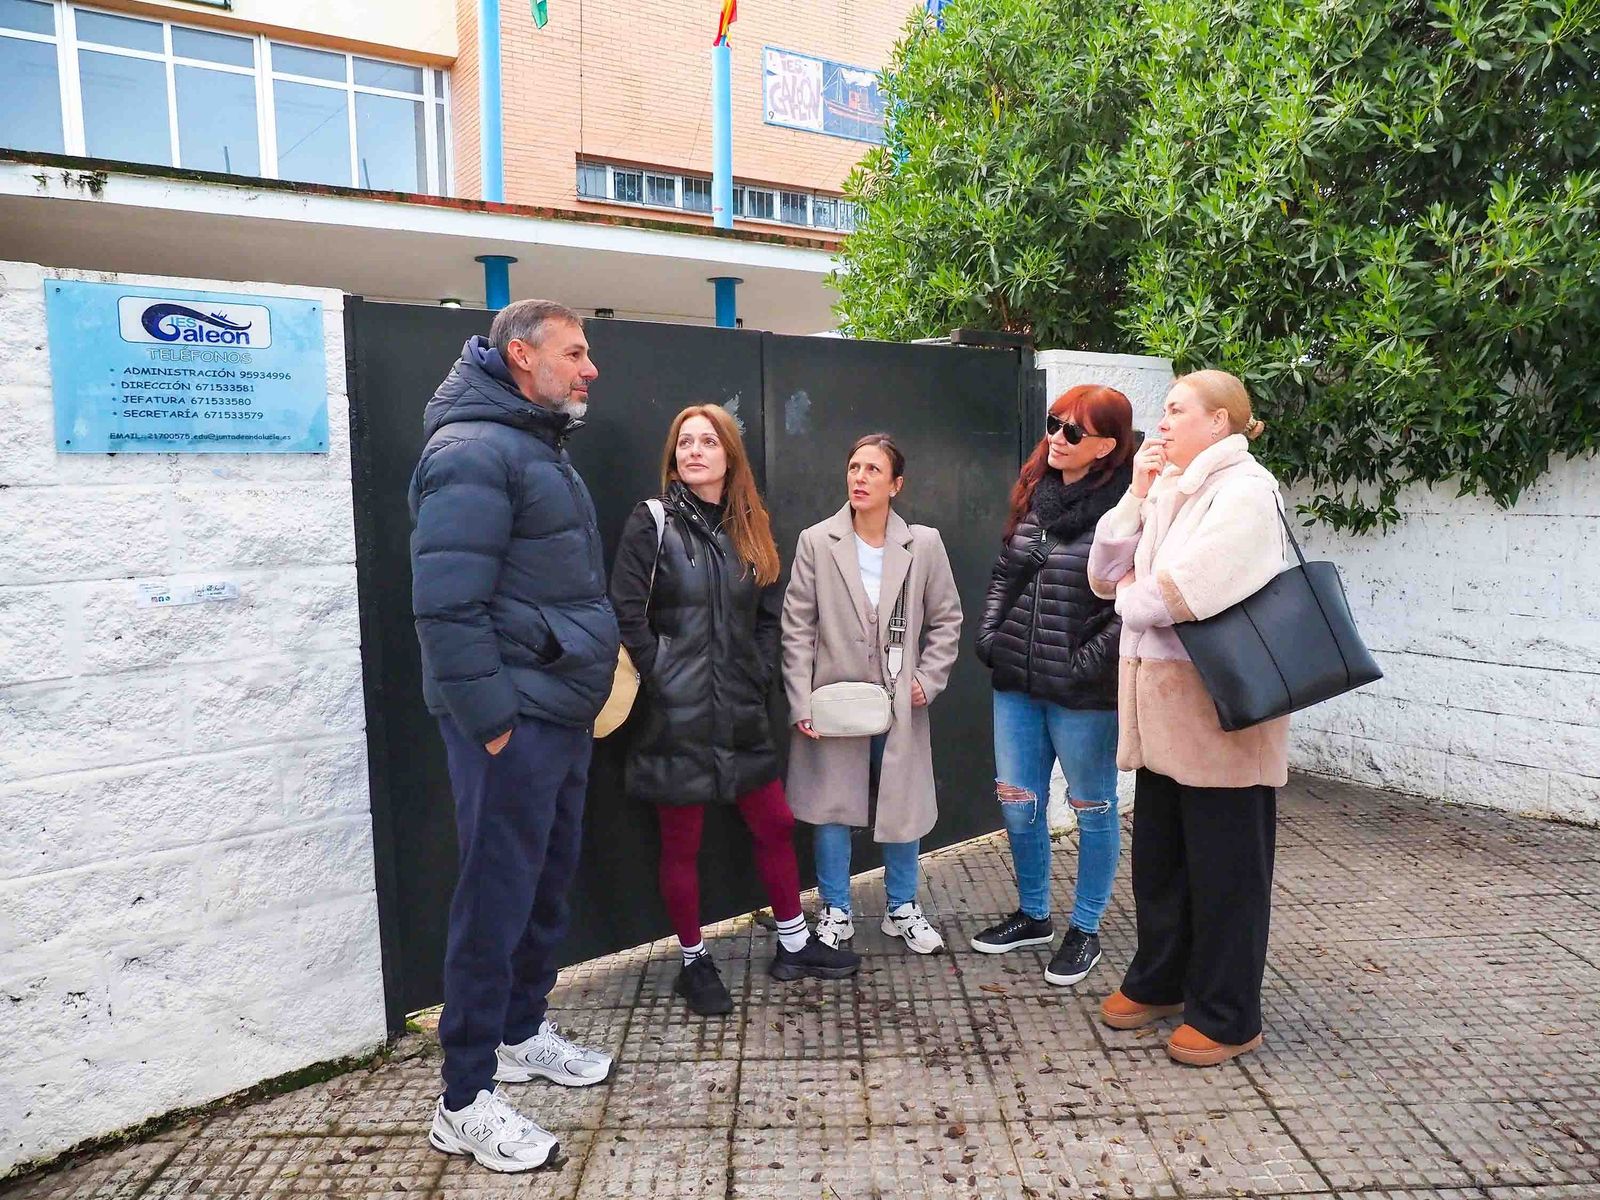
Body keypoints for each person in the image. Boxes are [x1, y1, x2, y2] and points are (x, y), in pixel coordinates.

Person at [411, 300, 620, 1173]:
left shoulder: (532, 444)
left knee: (543, 887)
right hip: (514, 723)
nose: (590, 368)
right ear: (521, 354)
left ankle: (520, 1033)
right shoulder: (472, 450)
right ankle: (462, 1099)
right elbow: (446, 606)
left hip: (558, 715)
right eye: (576, 352)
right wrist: (494, 724)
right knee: (494, 902)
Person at [610, 406, 861, 1016]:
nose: (695, 451)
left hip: (741, 709)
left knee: (774, 822)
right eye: (685, 442)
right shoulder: (653, 523)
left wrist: (758, 669)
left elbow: (770, 613)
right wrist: (663, 669)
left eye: (708, 441)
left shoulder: (750, 526)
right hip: (676, 711)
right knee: (682, 841)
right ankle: (694, 962)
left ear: (729, 455)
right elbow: (622, 608)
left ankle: (793, 943)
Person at [1086, 369, 1288, 1067]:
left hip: (1222, 712)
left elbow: (1167, 596)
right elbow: (1105, 572)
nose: (1162, 423)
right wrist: (1136, 497)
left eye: (1176, 411)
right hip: (1166, 712)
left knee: (1228, 869)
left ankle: (1230, 1014)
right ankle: (1163, 979)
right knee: (1163, 861)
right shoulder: (1172, 488)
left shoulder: (1247, 494)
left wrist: (1133, 592)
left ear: (1220, 422)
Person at [971, 385, 1136, 987]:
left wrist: (1080, 665)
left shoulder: (1126, 514)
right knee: (1019, 806)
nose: (1057, 439)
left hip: (1084, 694)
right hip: (1016, 680)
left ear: (1107, 447)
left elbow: (1130, 608)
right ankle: (1035, 914)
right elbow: (1003, 574)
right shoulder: (1035, 496)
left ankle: (1085, 928)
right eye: (1053, 424)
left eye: (1073, 432)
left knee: (1093, 808)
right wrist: (990, 638)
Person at [782, 434, 963, 954]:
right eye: (854, 466)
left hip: (900, 705)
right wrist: (800, 700)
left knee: (901, 801)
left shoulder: (922, 544)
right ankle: (836, 910)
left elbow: (948, 617)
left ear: (896, 484)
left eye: (873, 470)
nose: (859, 478)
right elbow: (796, 626)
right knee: (832, 805)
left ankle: (902, 907)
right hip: (833, 701)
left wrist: (928, 680)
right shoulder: (817, 541)